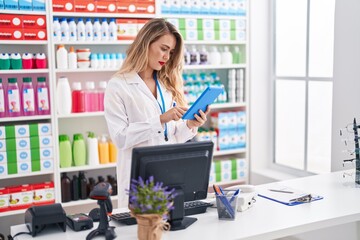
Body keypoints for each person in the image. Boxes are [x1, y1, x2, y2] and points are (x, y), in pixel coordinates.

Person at [104, 18, 210, 208]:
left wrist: (190, 125)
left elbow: (172, 135)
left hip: (170, 173)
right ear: (146, 43)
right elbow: (120, 138)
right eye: (163, 48)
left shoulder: (166, 84)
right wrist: (160, 119)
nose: (167, 56)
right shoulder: (119, 85)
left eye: (171, 52)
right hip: (138, 180)